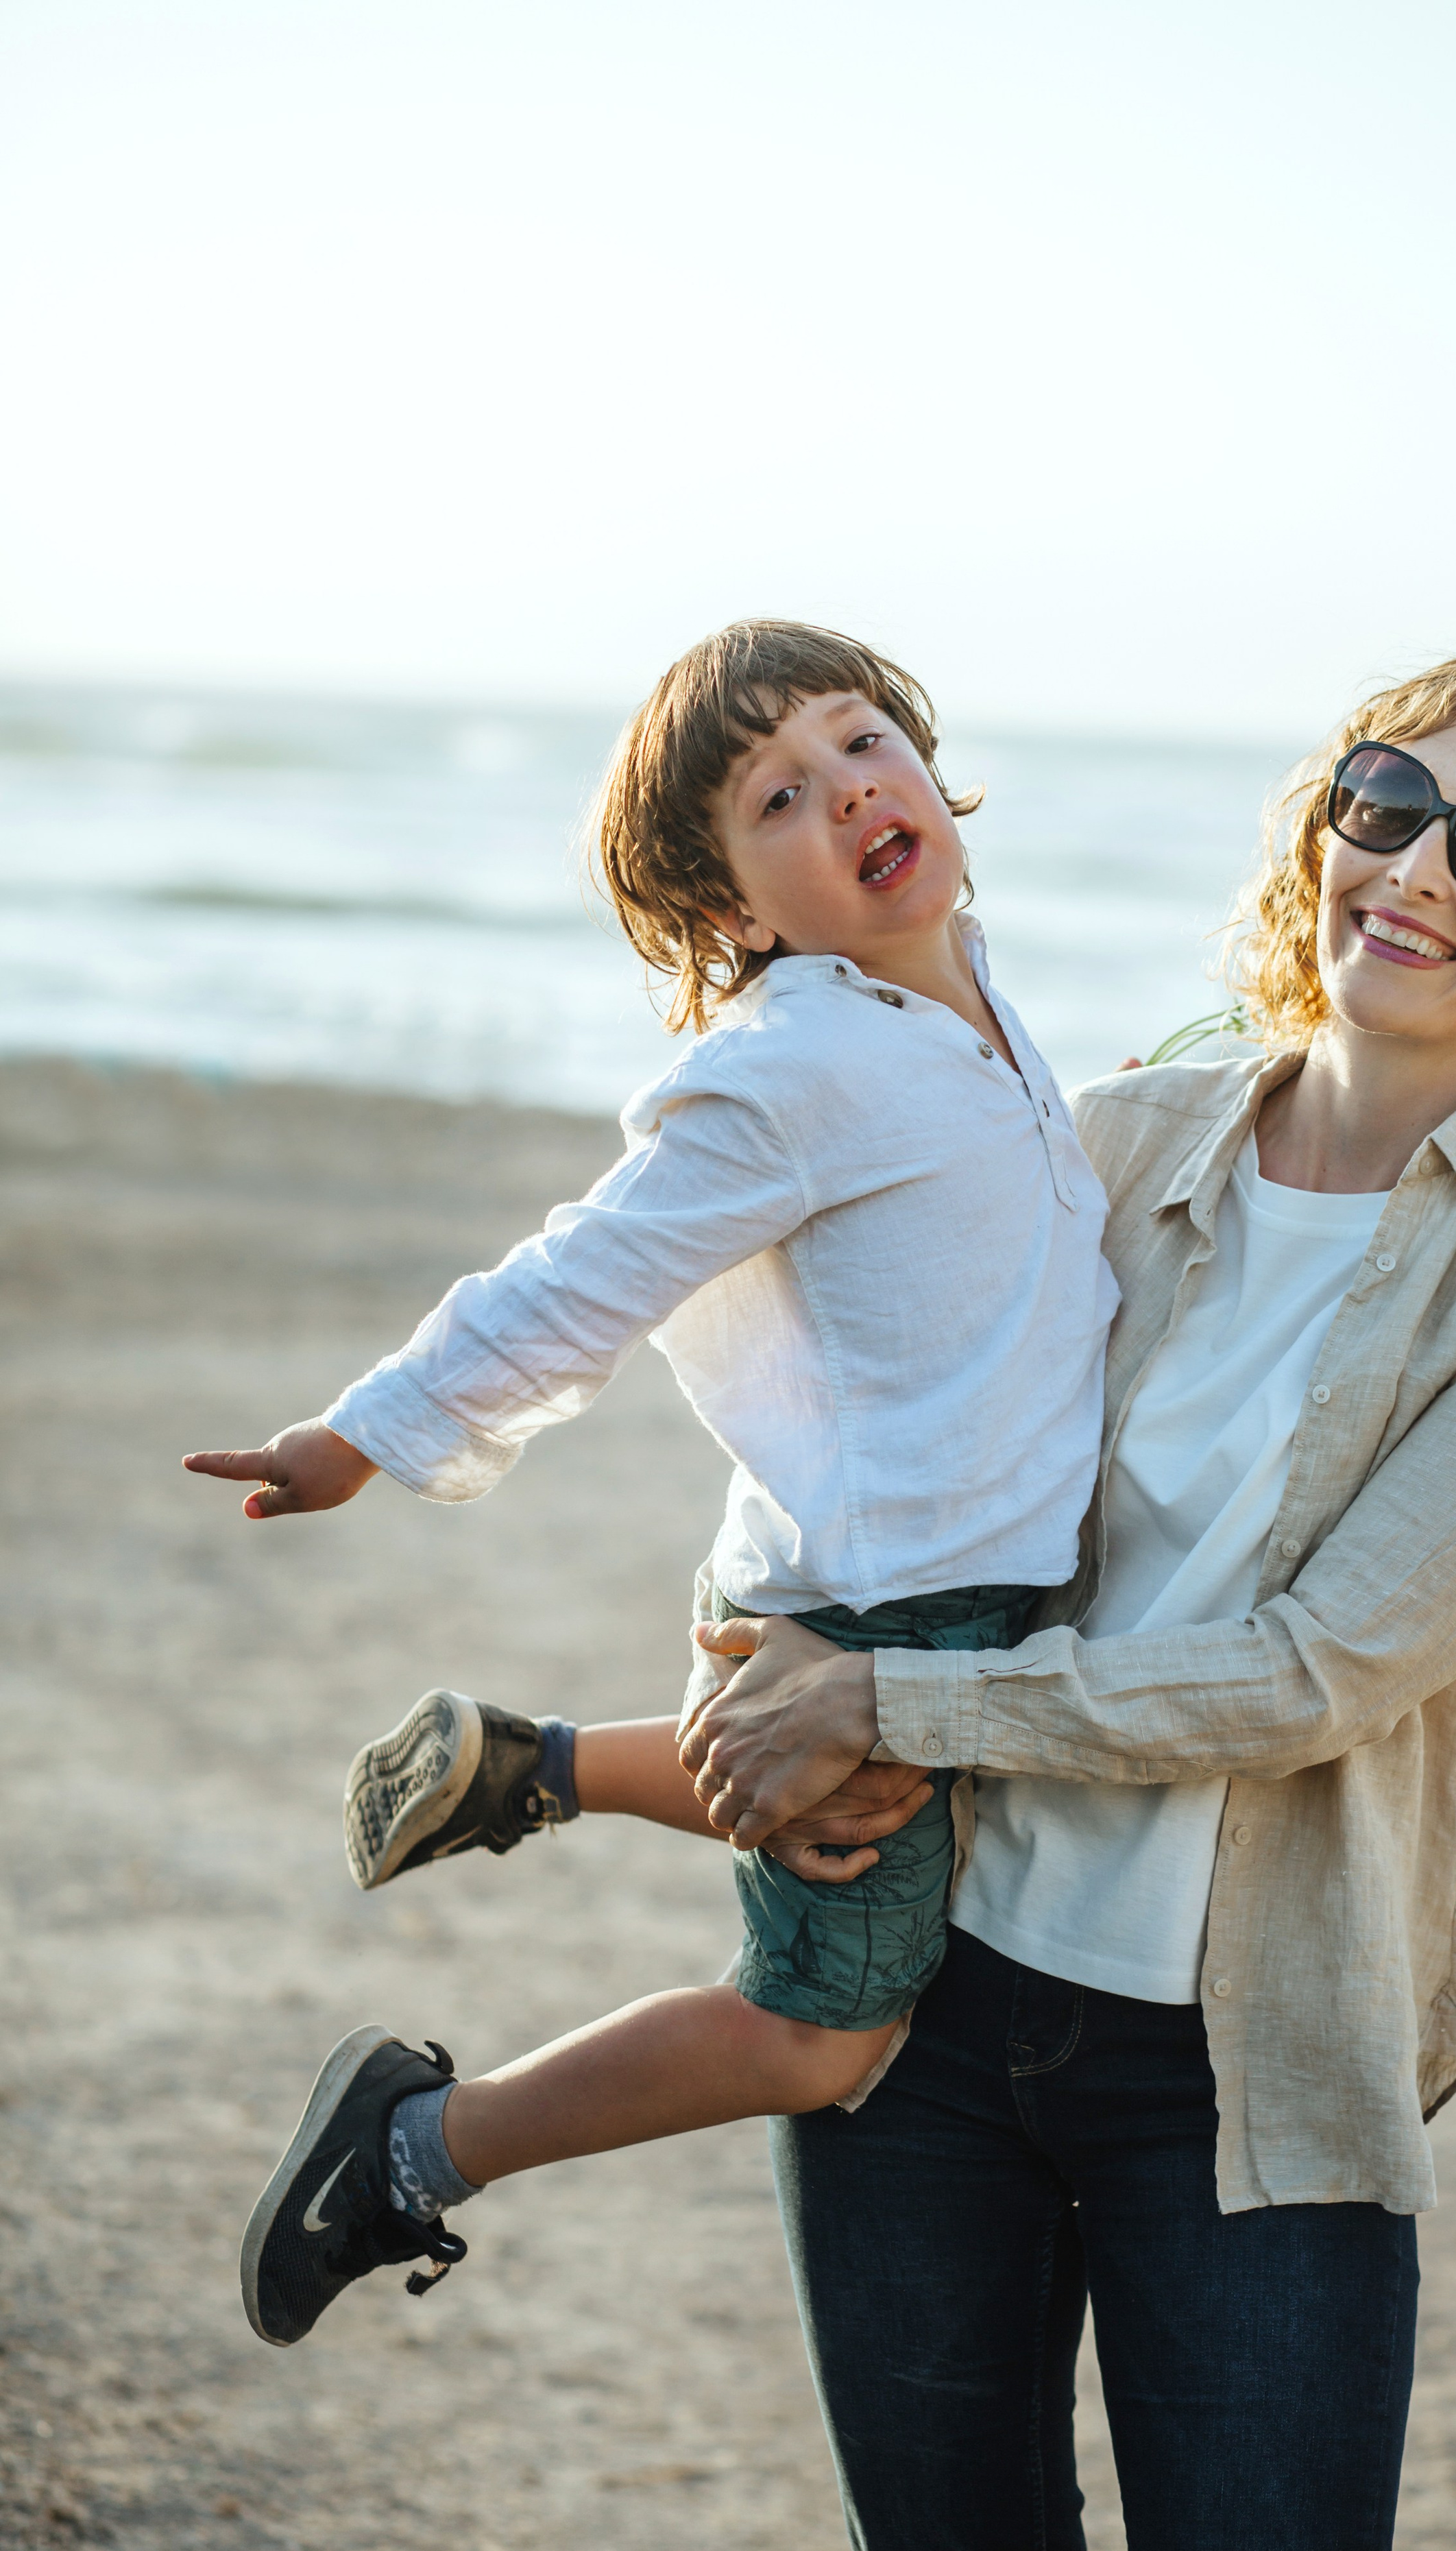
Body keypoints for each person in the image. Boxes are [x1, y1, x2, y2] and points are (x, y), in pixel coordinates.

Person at [651, 656, 1456, 2551]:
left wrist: (889, 1698)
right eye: (1386, 807)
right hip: (929, 2004)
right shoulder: (1117, 1137)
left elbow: (1320, 1671)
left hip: (1256, 2067)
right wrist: (756, 1669)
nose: (1419, 871)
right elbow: (838, 1428)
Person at [182, 619, 1119, 2349]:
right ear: (738, 910)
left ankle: (528, 1766)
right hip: (868, 1601)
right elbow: (580, 1272)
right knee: (824, 2033)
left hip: (919, 1582)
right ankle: (409, 2146)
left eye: (860, 742)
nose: (846, 789)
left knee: (913, 1824)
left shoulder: (963, 985)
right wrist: (358, 1436)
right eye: (778, 795)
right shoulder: (791, 1064)